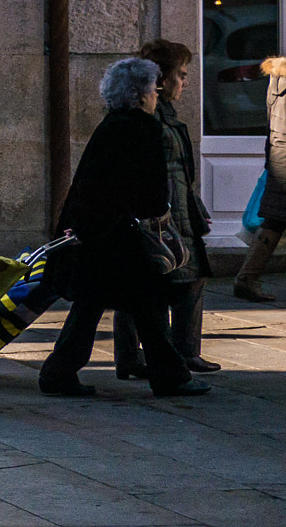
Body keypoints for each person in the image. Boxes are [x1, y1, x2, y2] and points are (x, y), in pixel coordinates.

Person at [39, 58, 211, 398]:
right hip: (121, 237)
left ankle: (59, 373)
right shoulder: (142, 128)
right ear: (139, 94)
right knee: (145, 305)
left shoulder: (112, 125)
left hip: (99, 233)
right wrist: (159, 219)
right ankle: (170, 376)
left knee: (95, 306)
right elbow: (149, 190)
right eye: (152, 89)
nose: (156, 96)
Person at [113, 40, 219, 376]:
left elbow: (180, 172)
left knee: (172, 283)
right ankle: (169, 355)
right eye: (181, 75)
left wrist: (195, 205)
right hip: (161, 217)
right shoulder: (148, 118)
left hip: (177, 213)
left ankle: (152, 356)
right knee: (156, 286)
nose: (184, 82)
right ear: (160, 79)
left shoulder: (166, 115)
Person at [234, 55, 286, 302]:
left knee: (274, 221)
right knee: (274, 221)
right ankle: (246, 279)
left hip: (279, 157)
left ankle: (246, 278)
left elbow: (270, 122)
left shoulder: (277, 78)